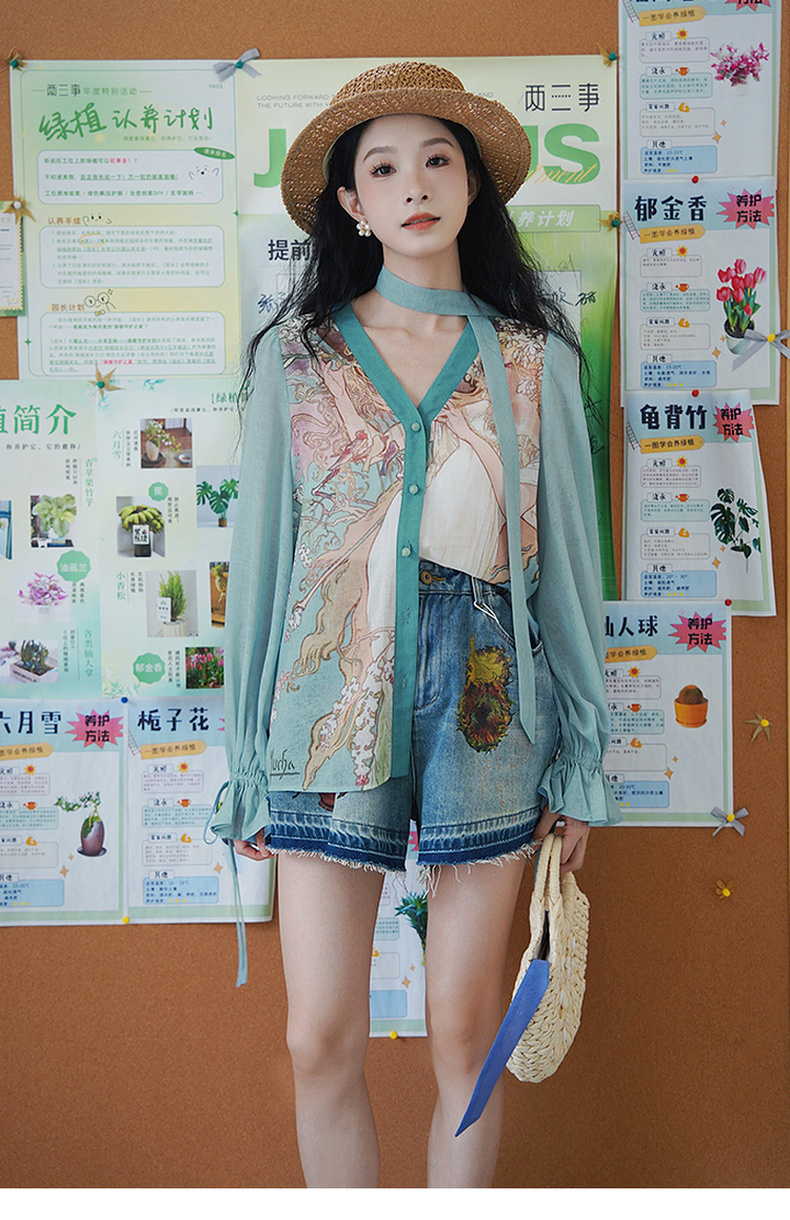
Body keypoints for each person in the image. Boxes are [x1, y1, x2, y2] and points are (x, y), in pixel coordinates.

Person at [210, 61, 621, 1189]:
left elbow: (566, 578)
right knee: (317, 1034)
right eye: (383, 168)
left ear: (473, 185)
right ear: (351, 202)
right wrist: (246, 760)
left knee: (466, 1036)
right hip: (325, 698)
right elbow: (265, 570)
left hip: (490, 703)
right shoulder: (297, 361)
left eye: (438, 159)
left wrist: (580, 759)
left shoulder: (534, 363)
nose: (415, 184)